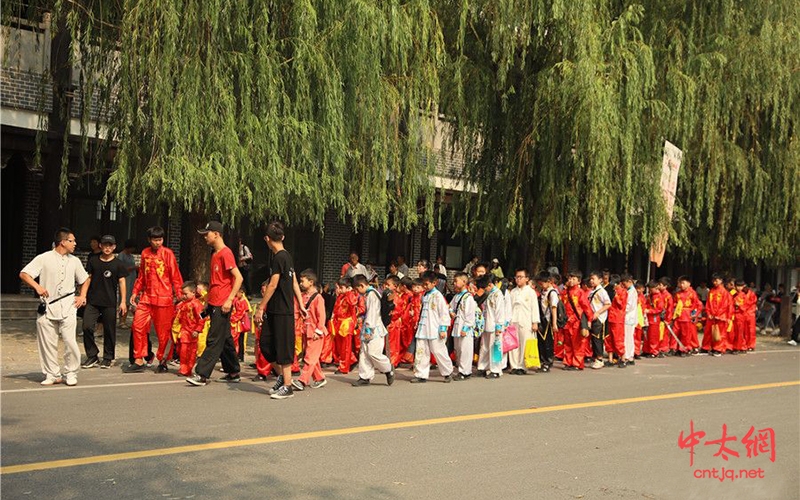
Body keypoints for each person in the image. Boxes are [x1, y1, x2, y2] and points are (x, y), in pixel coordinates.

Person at [20, 228, 90, 386]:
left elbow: (85, 279)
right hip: (48, 305)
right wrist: (37, 287)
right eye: (72, 241)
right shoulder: (44, 258)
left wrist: (82, 296)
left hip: (68, 305)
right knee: (47, 341)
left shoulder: (75, 261)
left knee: (70, 341)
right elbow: (24, 274)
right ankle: (52, 374)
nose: (75, 244)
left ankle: (71, 372)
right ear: (63, 242)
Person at [253, 221, 307, 400]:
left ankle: (287, 386)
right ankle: (282, 377)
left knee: (283, 348)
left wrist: (260, 307)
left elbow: (274, 283)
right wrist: (301, 303)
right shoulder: (285, 256)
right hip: (275, 310)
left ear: (267, 239)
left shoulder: (281, 258)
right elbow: (293, 282)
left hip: (283, 310)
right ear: (282, 237)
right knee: (267, 345)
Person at [186, 221, 244, 385]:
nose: (205, 237)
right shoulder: (214, 254)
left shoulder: (226, 253)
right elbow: (215, 282)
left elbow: (238, 278)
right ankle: (233, 371)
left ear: (216, 234)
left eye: (207, 233)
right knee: (225, 338)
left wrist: (230, 299)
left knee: (214, 338)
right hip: (214, 302)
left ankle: (202, 374)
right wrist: (207, 302)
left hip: (223, 303)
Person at [126, 226, 183, 373]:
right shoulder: (145, 253)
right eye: (155, 240)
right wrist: (135, 291)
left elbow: (175, 277)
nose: (158, 242)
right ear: (149, 240)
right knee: (137, 326)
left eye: (160, 240)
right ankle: (139, 359)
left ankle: (163, 360)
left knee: (164, 333)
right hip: (146, 298)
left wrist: (180, 296)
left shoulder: (168, 254)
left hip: (164, 299)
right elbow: (141, 276)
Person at [81, 235, 128, 369]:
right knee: (87, 326)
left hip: (109, 302)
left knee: (109, 330)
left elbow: (122, 282)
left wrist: (123, 301)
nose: (107, 248)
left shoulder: (118, 264)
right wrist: (83, 295)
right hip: (92, 301)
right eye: (105, 245)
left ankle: (108, 357)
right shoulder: (93, 261)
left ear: (114, 247)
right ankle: (92, 355)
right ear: (100, 246)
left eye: (110, 245)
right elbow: (88, 279)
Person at [351, 275, 395, 387]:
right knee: (364, 353)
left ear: (361, 285)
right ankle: (365, 376)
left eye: (357, 289)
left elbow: (373, 314)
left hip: (374, 329)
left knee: (373, 353)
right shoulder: (371, 294)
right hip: (370, 327)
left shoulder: (372, 295)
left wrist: (369, 330)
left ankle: (388, 368)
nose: (358, 292)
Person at [410, 271, 454, 383]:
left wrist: (443, 328)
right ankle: (421, 374)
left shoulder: (438, 296)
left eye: (426, 284)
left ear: (434, 283)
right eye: (423, 284)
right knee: (421, 351)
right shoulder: (425, 295)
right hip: (423, 329)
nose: (424, 286)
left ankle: (447, 372)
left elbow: (444, 313)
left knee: (439, 351)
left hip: (434, 328)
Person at [292, 269, 329, 391]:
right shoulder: (302, 296)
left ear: (311, 282)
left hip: (315, 332)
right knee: (312, 357)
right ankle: (319, 378)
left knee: (309, 357)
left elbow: (321, 316)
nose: (301, 283)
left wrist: (319, 330)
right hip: (305, 330)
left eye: (303, 281)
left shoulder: (318, 298)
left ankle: (302, 380)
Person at [508, 268, 540, 375]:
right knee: (514, 344)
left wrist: (535, 322)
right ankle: (514, 365)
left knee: (524, 343)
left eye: (521, 277)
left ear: (527, 279)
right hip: (514, 320)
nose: (518, 279)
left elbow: (534, 307)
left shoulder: (531, 292)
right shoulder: (513, 292)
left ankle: (522, 366)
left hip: (526, 320)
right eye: (517, 277)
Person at [561, 270, 594, 371]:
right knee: (567, 343)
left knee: (577, 343)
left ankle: (577, 363)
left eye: (573, 279)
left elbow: (586, 307)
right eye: (570, 278)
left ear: (579, 281)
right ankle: (568, 361)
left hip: (577, 321)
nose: (571, 280)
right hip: (567, 321)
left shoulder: (580, 293)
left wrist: (589, 320)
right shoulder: (565, 292)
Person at [329, 278, 362, 374]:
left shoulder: (351, 295)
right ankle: (351, 360)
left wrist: (349, 292)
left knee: (345, 347)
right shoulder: (340, 297)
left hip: (346, 324)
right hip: (339, 323)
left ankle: (343, 367)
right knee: (340, 347)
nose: (338, 289)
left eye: (341, 287)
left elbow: (353, 303)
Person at [476, 275, 506, 379]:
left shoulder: (498, 294)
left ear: (490, 285)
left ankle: (496, 370)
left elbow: (500, 312)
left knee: (495, 348)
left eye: (485, 288)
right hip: (486, 324)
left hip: (494, 326)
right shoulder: (488, 294)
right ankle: (483, 366)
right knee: (484, 347)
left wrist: (499, 326)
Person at [449, 272, 477, 380]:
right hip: (457, 326)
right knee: (458, 349)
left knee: (465, 350)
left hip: (465, 328)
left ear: (464, 282)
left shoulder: (468, 298)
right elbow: (450, 307)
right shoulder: (456, 296)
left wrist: (466, 327)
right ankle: (460, 369)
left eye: (456, 281)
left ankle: (465, 371)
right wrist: (451, 312)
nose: (454, 283)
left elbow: (470, 315)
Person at [174, 281, 205, 377]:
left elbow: (202, 317)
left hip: (193, 332)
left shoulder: (197, 304)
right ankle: (183, 368)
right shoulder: (183, 304)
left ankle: (188, 369)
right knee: (183, 350)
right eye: (183, 294)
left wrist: (197, 330)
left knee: (191, 352)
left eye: (185, 294)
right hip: (184, 330)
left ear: (193, 293)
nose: (183, 296)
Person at [702, 273, 733, 356]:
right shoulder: (711, 291)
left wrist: (717, 314)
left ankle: (718, 349)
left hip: (720, 316)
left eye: (716, 280)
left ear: (721, 281)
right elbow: (708, 304)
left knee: (720, 333)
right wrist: (709, 313)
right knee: (708, 332)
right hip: (711, 316)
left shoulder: (724, 292)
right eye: (713, 281)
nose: (714, 282)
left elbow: (725, 305)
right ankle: (706, 347)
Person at [672, 276, 703, 355]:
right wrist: (676, 306)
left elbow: (698, 305)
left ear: (689, 284)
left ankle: (685, 348)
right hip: (678, 315)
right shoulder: (678, 294)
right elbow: (674, 303)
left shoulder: (692, 294)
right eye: (680, 283)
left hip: (687, 316)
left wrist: (693, 315)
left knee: (686, 334)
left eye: (683, 283)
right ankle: (675, 348)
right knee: (676, 332)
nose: (681, 285)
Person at [535, 271, 559, 373]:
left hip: (548, 321)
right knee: (542, 342)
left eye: (542, 283)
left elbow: (554, 308)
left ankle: (548, 362)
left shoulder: (552, 293)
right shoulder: (543, 292)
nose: (541, 285)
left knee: (548, 342)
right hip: (542, 321)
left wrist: (554, 323)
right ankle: (543, 361)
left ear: (549, 281)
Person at [587, 271, 611, 369]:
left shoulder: (602, 291)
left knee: (597, 339)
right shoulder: (592, 290)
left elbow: (608, 304)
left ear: (600, 280)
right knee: (594, 339)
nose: (591, 281)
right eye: (591, 279)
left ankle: (600, 359)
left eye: (594, 279)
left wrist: (598, 312)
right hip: (593, 318)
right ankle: (596, 357)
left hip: (599, 319)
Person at [116, 239, 138, 327]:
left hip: (131, 280)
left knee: (130, 300)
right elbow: (121, 268)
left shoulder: (131, 256)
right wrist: (134, 267)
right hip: (125, 280)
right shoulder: (121, 255)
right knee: (124, 299)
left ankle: (124, 320)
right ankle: (121, 321)